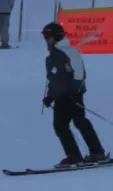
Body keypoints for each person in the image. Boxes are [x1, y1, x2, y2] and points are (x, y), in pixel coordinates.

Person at [40, 21, 109, 167]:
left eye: (48, 36)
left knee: (80, 122)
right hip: (60, 98)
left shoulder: (70, 52)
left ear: (57, 37)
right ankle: (74, 156)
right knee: (59, 125)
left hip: (73, 96)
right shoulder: (50, 58)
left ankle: (98, 153)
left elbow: (79, 73)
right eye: (45, 36)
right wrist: (50, 97)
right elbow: (53, 80)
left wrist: (75, 91)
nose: (46, 39)